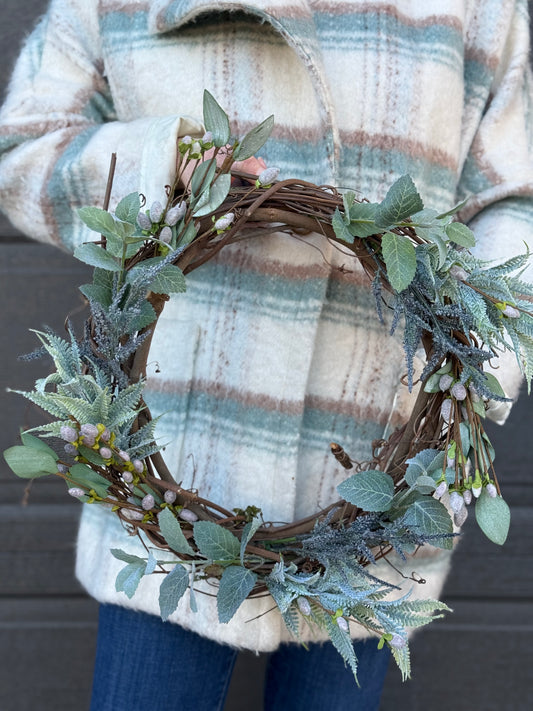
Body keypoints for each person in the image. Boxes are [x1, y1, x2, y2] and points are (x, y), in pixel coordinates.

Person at [1, 1, 532, 709]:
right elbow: (24, 145)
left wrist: (472, 374)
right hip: (173, 486)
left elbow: (513, 197)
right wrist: (167, 166)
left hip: (379, 487)